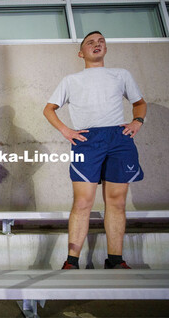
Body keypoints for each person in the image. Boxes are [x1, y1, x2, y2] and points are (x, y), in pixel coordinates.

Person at [43, 31, 147, 269]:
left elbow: (139, 103)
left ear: (106, 49)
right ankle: (72, 261)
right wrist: (66, 131)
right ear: (81, 53)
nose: (97, 44)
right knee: (82, 202)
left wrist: (136, 122)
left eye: (101, 42)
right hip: (87, 140)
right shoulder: (71, 80)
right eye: (90, 42)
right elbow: (49, 109)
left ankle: (115, 260)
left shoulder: (121, 75)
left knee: (117, 201)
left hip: (118, 139)